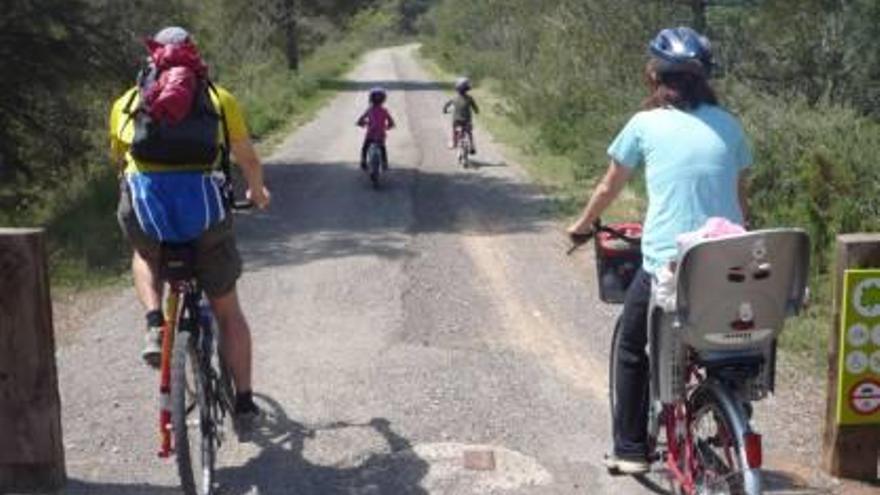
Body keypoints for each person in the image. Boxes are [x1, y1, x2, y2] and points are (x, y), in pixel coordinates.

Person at [566, 27, 751, 474]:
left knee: (632, 348)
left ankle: (630, 450)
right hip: (729, 259)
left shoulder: (644, 123)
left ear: (654, 76)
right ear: (705, 79)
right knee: (727, 344)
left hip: (670, 265)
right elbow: (741, 198)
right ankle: (733, 417)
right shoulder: (730, 124)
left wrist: (581, 227)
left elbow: (611, 185)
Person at [109, 26, 270, 423]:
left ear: (152, 60)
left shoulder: (128, 101)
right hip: (205, 215)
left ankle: (154, 324)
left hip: (149, 212)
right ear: (194, 57)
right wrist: (258, 192)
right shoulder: (217, 98)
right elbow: (246, 158)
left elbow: (119, 159)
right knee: (228, 310)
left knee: (145, 253)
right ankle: (245, 403)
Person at [357, 87, 395, 171]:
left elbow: (361, 119)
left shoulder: (369, 110)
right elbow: (391, 122)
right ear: (383, 99)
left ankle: (363, 161)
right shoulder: (384, 111)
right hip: (381, 134)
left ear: (371, 98)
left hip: (370, 134)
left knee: (365, 148)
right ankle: (384, 163)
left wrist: (362, 123)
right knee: (382, 148)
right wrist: (388, 126)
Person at [443, 77, 479, 154]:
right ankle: (472, 146)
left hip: (456, 120)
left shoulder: (454, 98)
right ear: (467, 89)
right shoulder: (469, 98)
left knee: (454, 131)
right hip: (467, 120)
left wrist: (445, 110)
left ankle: (454, 143)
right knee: (469, 133)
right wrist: (476, 111)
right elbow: (475, 107)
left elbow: (447, 105)